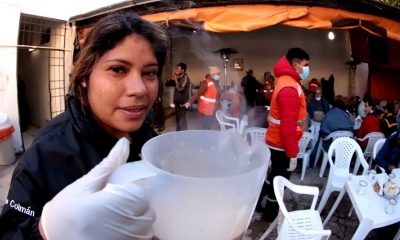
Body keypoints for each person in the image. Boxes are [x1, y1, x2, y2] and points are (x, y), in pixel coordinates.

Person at [0, 13, 169, 239]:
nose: (139, 89)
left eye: (149, 73)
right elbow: (10, 231)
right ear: (84, 77)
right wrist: (46, 231)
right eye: (118, 69)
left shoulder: (147, 138)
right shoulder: (47, 153)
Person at [259, 47, 310, 221]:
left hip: (277, 140)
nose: (307, 69)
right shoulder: (289, 87)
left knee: (274, 175)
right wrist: (293, 153)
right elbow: (288, 126)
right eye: (305, 65)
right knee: (280, 179)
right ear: (295, 64)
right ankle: (270, 213)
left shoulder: (286, 80)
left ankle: (257, 200)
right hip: (282, 143)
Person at [172, 63, 190, 131]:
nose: (176, 70)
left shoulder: (185, 77)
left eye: (178, 69)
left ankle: (183, 134)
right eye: (176, 69)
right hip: (177, 102)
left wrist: (176, 79)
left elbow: (180, 88)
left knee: (182, 120)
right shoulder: (180, 77)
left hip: (182, 102)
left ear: (183, 70)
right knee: (178, 119)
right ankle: (178, 133)